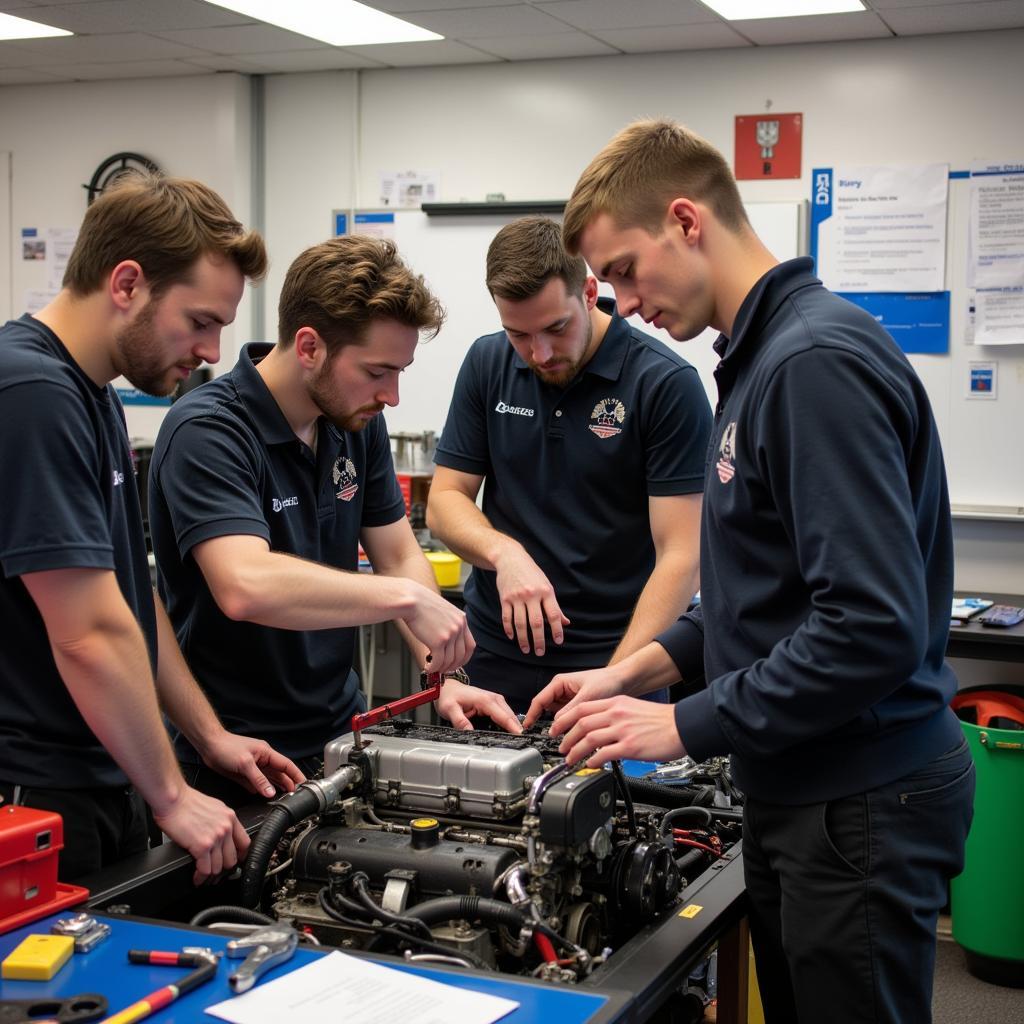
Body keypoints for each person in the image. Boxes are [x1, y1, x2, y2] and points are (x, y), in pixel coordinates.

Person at [525, 120, 975, 1024]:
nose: (617, 299)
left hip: (858, 800)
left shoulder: (810, 365)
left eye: (620, 270)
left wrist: (682, 727)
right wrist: (633, 674)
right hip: (807, 788)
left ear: (685, 220)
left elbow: (869, 626)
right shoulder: (761, 359)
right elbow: (761, 598)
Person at [0, 172, 304, 884]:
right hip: (33, 793)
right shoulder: (33, 392)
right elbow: (88, 633)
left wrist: (208, 737)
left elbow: (131, 604)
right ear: (128, 283)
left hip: (103, 774)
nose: (210, 350)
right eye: (200, 321)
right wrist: (171, 793)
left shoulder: (93, 394)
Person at [149, 235, 522, 808]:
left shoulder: (354, 422)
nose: (392, 396)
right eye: (377, 371)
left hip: (338, 738)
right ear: (309, 347)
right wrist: (402, 599)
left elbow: (397, 553)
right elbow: (244, 584)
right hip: (232, 757)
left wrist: (444, 676)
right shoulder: (208, 430)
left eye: (400, 372)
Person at [426, 216, 711, 716]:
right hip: (491, 659)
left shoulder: (664, 384)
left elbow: (682, 556)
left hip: (617, 659)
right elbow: (445, 502)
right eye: (518, 334)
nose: (539, 353)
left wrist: (615, 679)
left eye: (556, 328)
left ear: (588, 291)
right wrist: (505, 554)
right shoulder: (487, 364)